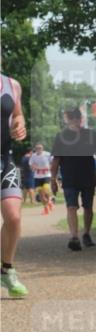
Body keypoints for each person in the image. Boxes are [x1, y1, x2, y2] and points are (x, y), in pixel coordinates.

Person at [50, 108, 96, 251]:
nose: (76, 121)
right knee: (71, 206)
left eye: (78, 118)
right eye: (73, 119)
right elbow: (56, 160)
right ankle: (74, 237)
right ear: (68, 120)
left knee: (88, 207)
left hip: (87, 175)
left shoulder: (91, 134)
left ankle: (86, 233)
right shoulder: (61, 136)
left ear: (81, 119)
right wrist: (53, 179)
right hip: (69, 176)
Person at [1, 73, 29, 297]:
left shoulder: (12, 84)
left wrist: (19, 126)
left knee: (14, 216)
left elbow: (18, 115)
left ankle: (6, 269)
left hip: (4, 160)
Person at [29, 143, 54, 214]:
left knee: (46, 190)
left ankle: (49, 201)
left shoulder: (47, 154)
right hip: (37, 177)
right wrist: (34, 167)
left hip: (46, 175)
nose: (39, 149)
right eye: (37, 148)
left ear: (42, 149)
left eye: (40, 148)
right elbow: (31, 164)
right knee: (41, 195)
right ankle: (46, 207)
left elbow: (53, 161)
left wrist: (50, 167)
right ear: (35, 149)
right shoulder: (33, 156)